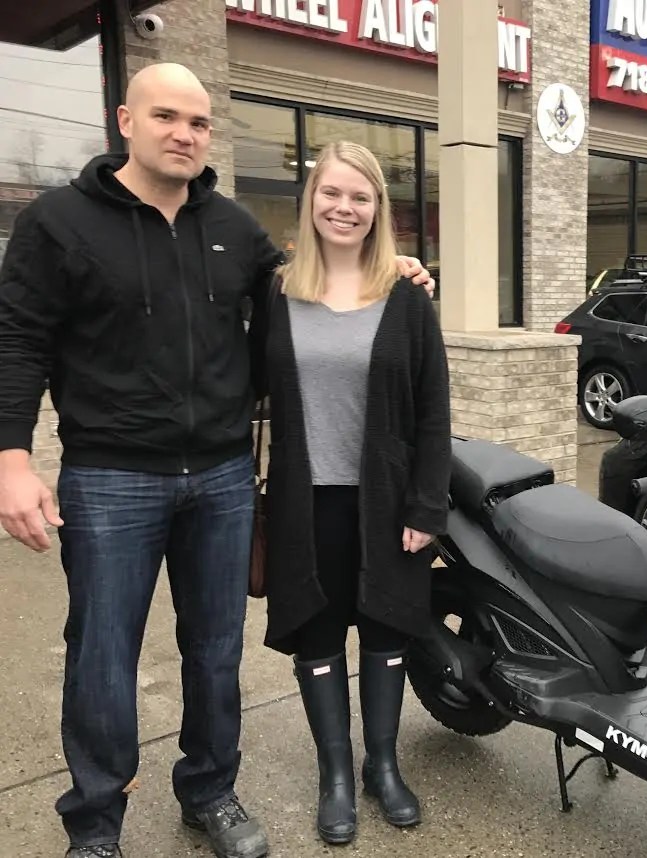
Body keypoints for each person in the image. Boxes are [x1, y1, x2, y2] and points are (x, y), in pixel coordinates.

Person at [0, 64, 434, 858]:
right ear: (124, 119)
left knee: (214, 649)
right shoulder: (59, 222)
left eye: (198, 123)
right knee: (102, 655)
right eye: (166, 117)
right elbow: (19, 341)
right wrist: (11, 460)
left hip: (226, 479)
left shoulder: (236, 230)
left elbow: (319, 290)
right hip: (111, 477)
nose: (184, 134)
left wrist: (395, 268)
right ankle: (95, 826)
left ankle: (209, 790)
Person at [249, 140, 451, 846]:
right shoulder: (276, 292)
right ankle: (336, 774)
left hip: (388, 502)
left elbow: (434, 408)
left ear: (378, 210)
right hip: (307, 502)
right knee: (318, 631)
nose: (345, 207)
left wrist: (428, 505)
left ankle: (383, 767)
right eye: (332, 193)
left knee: (389, 630)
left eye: (360, 197)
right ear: (311, 202)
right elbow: (246, 386)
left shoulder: (406, 296)